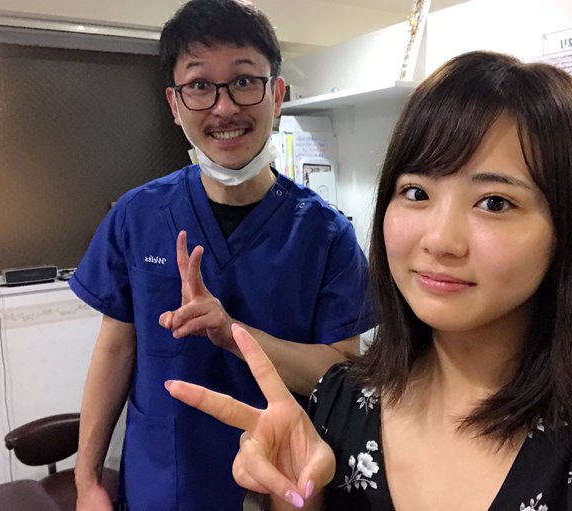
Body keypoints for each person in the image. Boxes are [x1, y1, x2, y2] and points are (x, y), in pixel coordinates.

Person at [166, 50, 572, 510]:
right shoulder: (342, 400)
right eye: (416, 192)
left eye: (494, 202)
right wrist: (297, 497)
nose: (440, 240)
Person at [69, 0, 374, 509]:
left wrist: (232, 333)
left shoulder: (327, 235)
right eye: (199, 85)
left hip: (281, 487)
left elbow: (340, 374)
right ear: (174, 104)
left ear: (277, 94)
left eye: (244, 80)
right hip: (162, 482)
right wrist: (86, 478)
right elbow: (116, 350)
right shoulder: (136, 216)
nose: (225, 107)